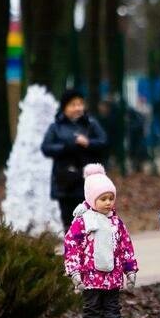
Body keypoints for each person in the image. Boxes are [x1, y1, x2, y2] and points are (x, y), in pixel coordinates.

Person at [64, 164, 138, 318]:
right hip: (90, 278)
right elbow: (72, 247)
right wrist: (74, 272)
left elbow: (125, 247)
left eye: (111, 198)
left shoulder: (116, 223)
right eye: (103, 199)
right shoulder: (83, 222)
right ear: (91, 199)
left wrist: (130, 270)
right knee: (91, 312)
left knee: (113, 311)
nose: (108, 203)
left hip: (112, 278)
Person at [42, 90, 109, 229]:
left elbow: (103, 142)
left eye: (80, 104)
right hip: (65, 181)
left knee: (91, 219)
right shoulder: (56, 127)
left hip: (89, 180)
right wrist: (66, 147)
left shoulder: (91, 123)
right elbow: (46, 147)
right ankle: (72, 247)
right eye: (73, 104)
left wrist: (88, 143)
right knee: (69, 220)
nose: (78, 108)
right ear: (64, 107)